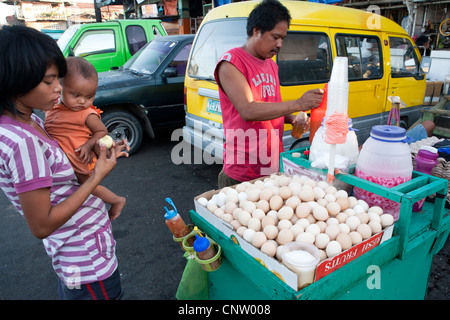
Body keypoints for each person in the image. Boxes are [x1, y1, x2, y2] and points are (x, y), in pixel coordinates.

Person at [0, 25, 129, 300]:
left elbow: (64, 164)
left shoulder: (30, 120)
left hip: (81, 253)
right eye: (49, 82)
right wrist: (97, 176)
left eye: (58, 79)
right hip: (86, 263)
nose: (59, 89)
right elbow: (42, 225)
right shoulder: (22, 141)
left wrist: (98, 149)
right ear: (15, 79)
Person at [214, 0, 323, 188]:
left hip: (272, 165)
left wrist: (291, 118)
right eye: (275, 37)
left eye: (283, 38)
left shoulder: (271, 64)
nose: (280, 44)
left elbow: (269, 105)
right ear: (257, 31)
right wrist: (298, 103)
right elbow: (248, 110)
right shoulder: (231, 63)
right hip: (243, 170)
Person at [45, 57, 126, 221]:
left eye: (89, 96)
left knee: (89, 186)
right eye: (75, 95)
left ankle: (117, 200)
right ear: (60, 88)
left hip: (80, 158)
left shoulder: (86, 113)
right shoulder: (52, 108)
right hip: (66, 160)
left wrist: (89, 146)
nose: (82, 101)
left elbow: (102, 131)